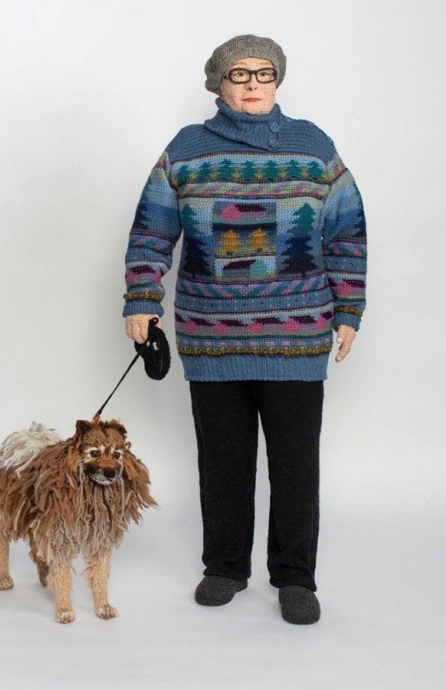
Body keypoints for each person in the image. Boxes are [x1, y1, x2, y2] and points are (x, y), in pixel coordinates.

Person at [122, 34, 366, 625]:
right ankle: (226, 568)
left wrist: (350, 309)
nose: (253, 83)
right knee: (223, 463)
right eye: (240, 73)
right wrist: (141, 299)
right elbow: (152, 231)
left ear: (277, 80)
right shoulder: (186, 149)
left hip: (297, 335)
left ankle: (295, 577)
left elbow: (346, 231)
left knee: (295, 467)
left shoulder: (313, 146)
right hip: (211, 336)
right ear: (218, 82)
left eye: (264, 73)